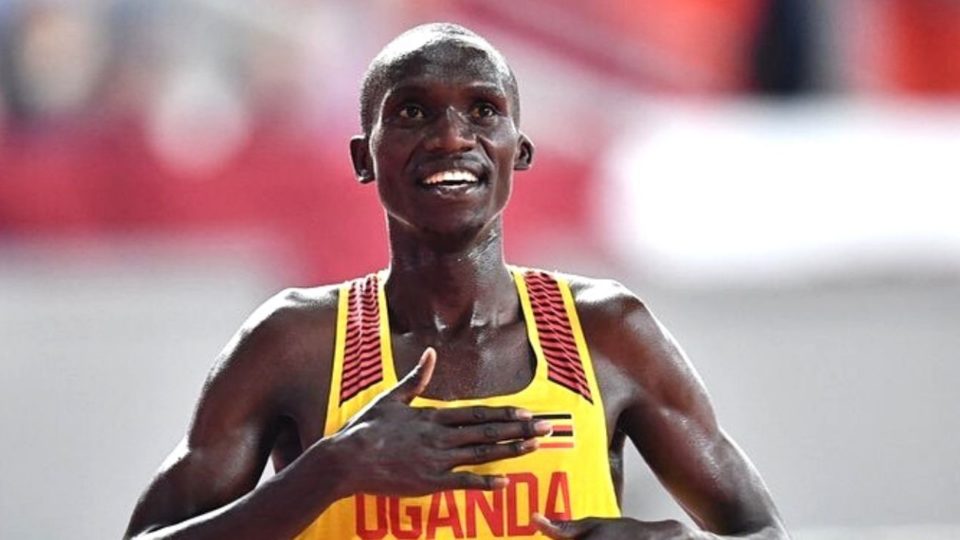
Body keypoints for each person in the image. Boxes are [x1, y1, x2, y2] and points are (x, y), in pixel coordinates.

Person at [124, 23, 789, 540]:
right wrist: (330, 472)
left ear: (518, 150)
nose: (451, 138)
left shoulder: (607, 332)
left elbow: (761, 529)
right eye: (412, 112)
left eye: (482, 111)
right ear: (365, 156)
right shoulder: (296, 343)